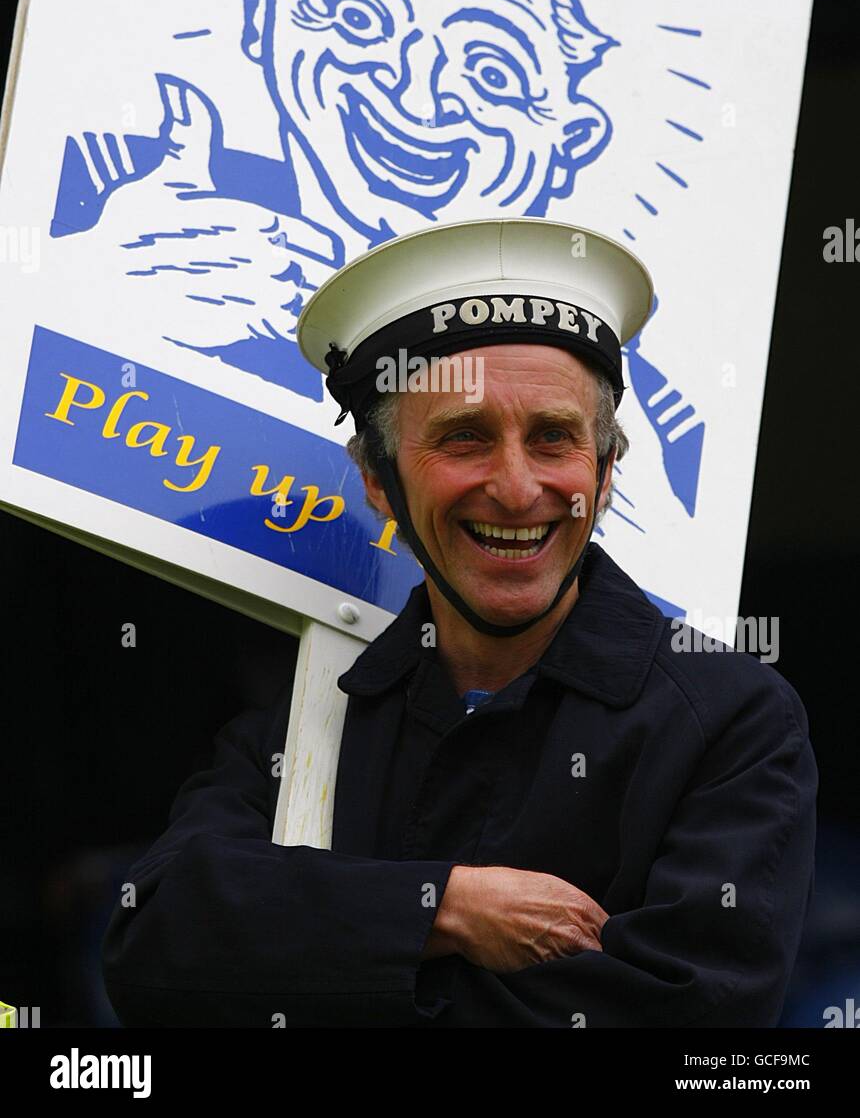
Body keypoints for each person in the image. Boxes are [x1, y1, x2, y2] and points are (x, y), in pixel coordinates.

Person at [101, 218, 817, 1027]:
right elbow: (154, 942)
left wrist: (327, 961)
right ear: (377, 478)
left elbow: (690, 1026)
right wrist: (444, 907)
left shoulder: (733, 722)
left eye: (553, 439)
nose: (516, 490)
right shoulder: (312, 721)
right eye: (465, 439)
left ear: (607, 469)